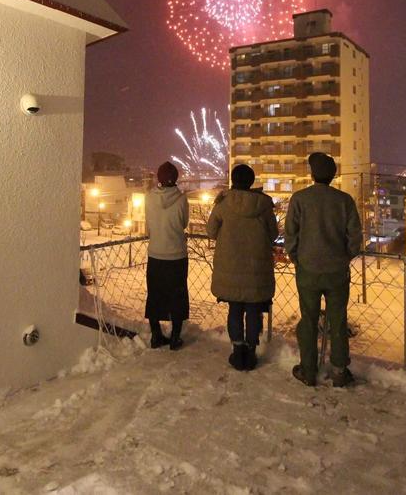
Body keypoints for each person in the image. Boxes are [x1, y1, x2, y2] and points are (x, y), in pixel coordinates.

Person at [284, 152, 362, 387]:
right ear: (333, 175)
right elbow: (355, 237)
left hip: (307, 269)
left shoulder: (300, 199)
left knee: (308, 319)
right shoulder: (344, 200)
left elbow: (290, 234)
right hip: (337, 271)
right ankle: (339, 370)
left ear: (312, 174)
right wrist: (346, 256)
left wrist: (297, 257)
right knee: (337, 320)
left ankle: (308, 370)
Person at [206, 164, 278, 371]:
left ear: (233, 180)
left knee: (235, 309)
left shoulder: (222, 203)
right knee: (254, 310)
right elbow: (273, 234)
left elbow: (211, 231)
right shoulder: (263, 205)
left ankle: (238, 351)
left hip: (230, 266)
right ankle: (251, 352)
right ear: (251, 181)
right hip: (256, 268)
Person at [144, 161, 190, 350]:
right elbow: (184, 223)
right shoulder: (181, 199)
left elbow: (148, 225)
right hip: (177, 256)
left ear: (159, 178)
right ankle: (175, 337)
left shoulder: (148, 197)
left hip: (155, 254)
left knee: (154, 294)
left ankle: (156, 336)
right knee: (177, 295)